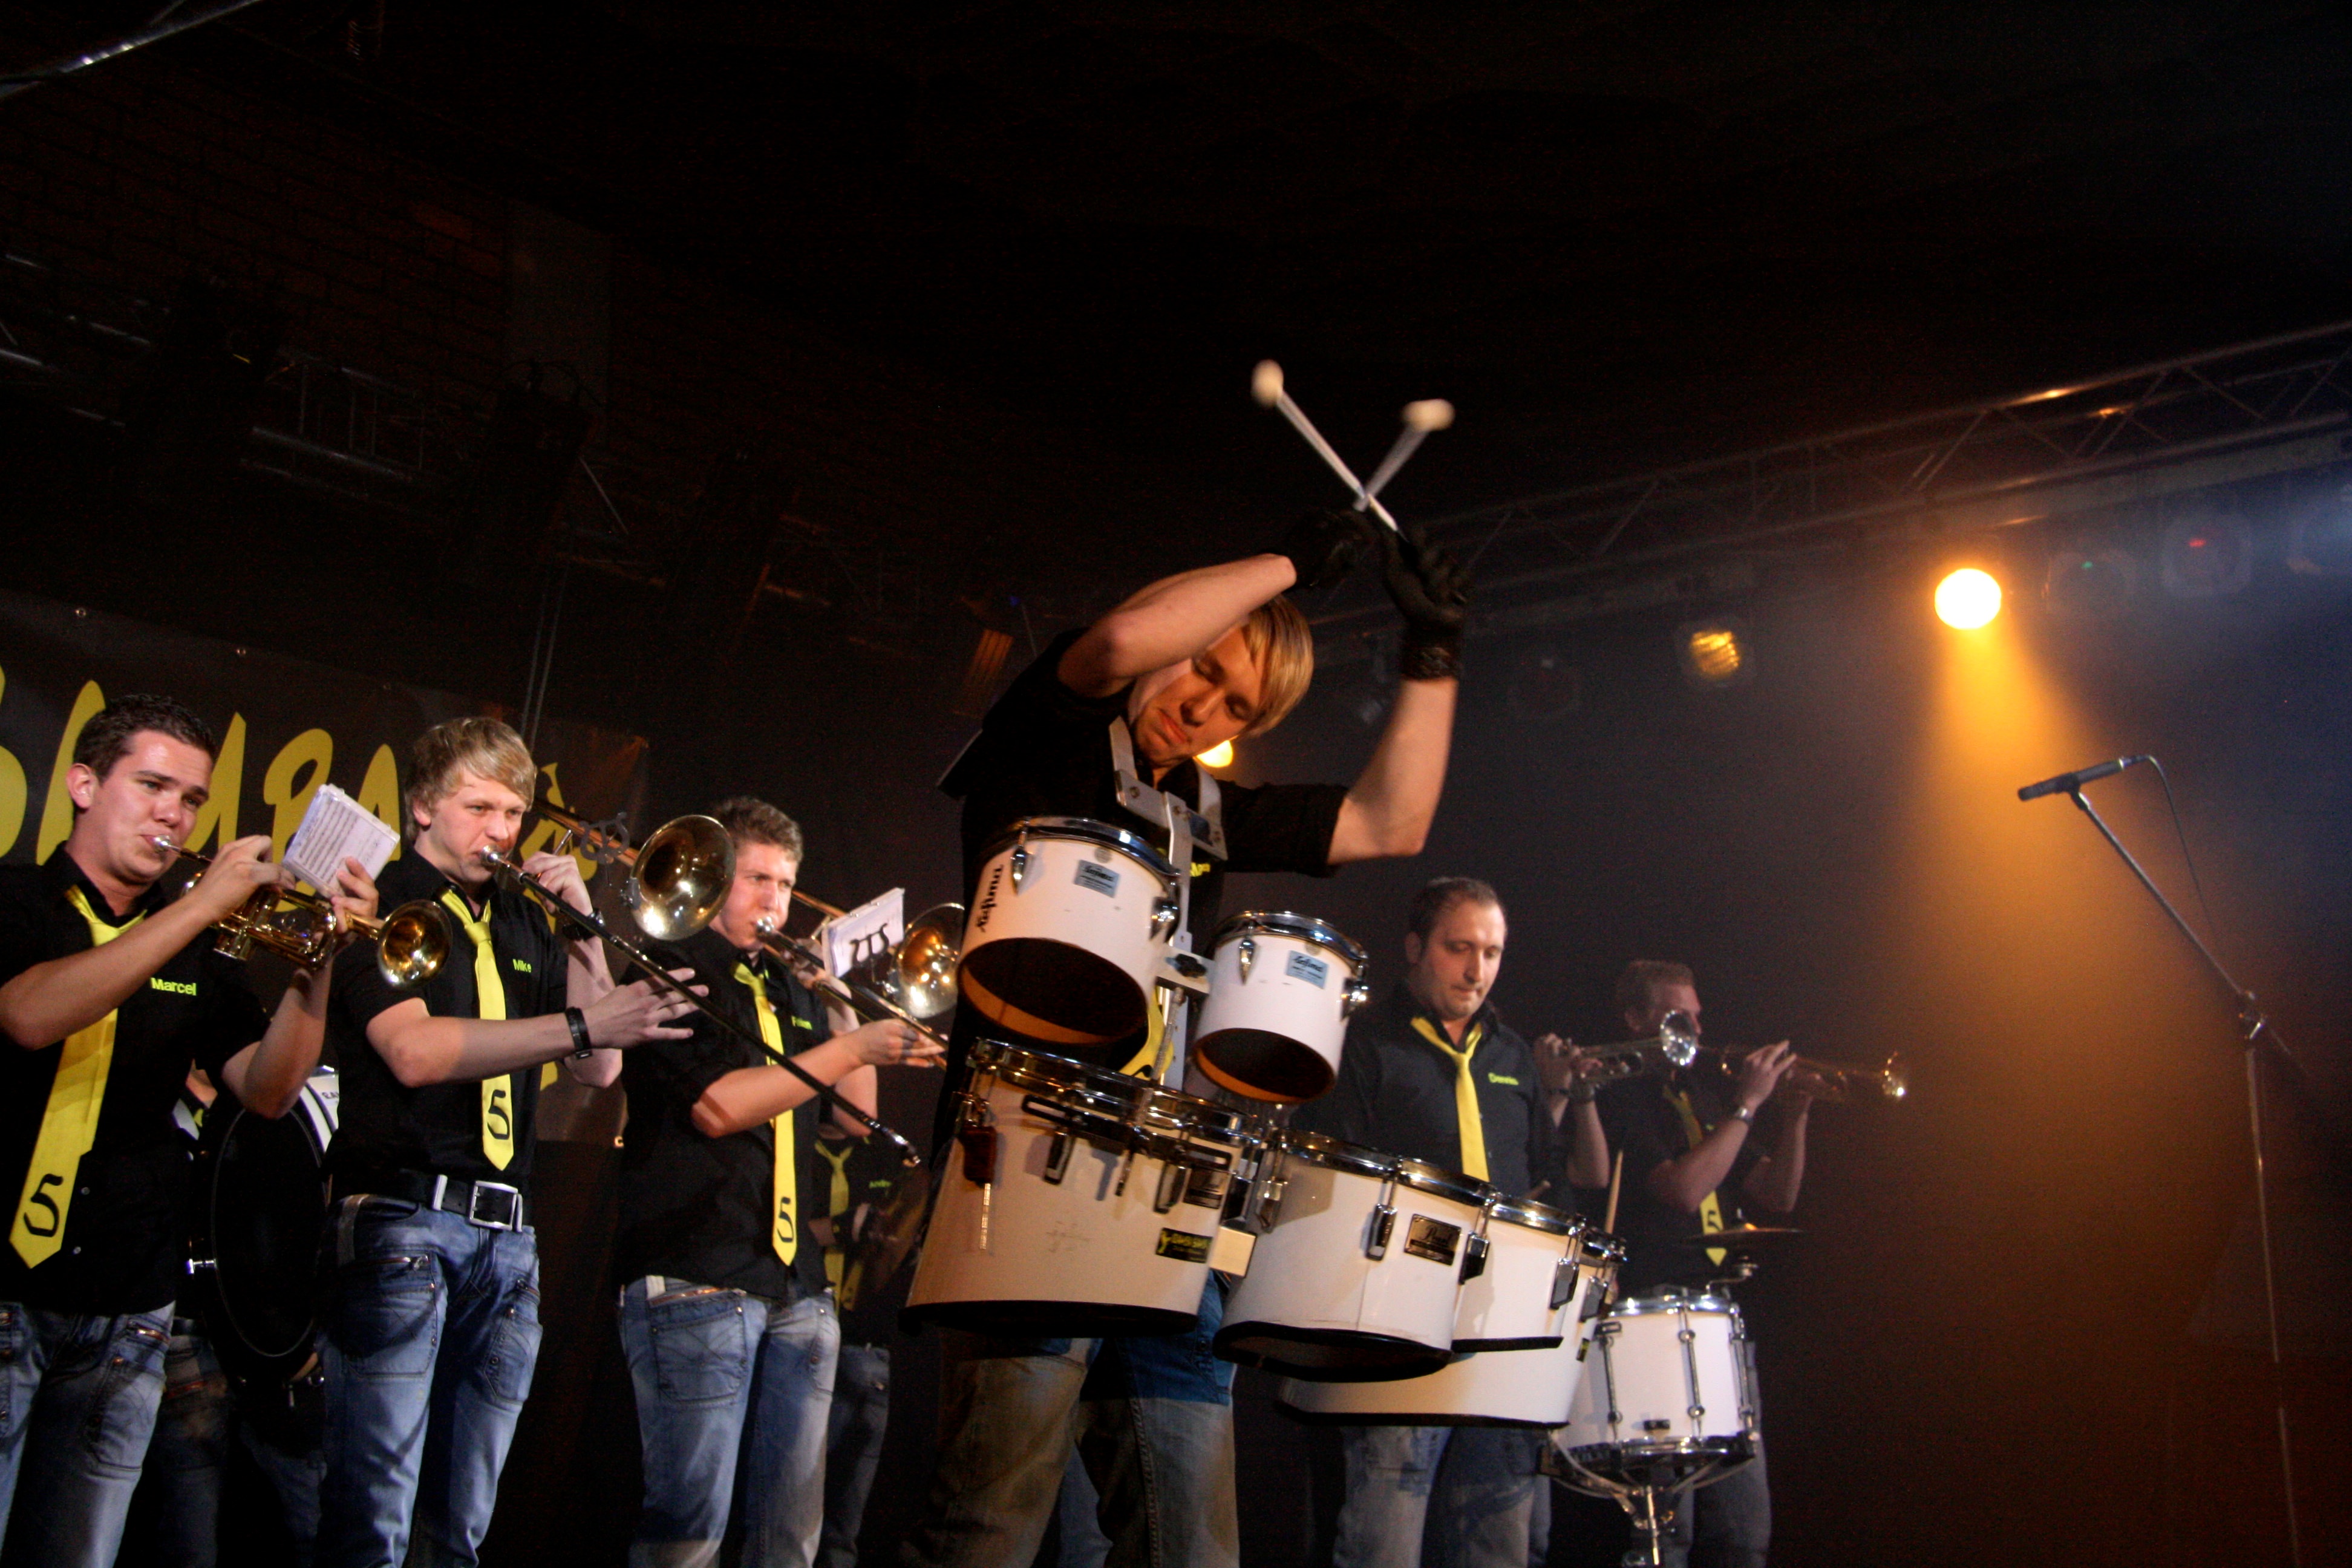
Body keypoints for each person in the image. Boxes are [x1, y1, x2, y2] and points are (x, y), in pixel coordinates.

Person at [901, 509, 1469, 1568]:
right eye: (1203, 666)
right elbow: (1121, 642)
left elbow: (1390, 822)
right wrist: (1287, 563)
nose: (1204, 705)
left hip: (1167, 1204)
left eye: (1237, 704)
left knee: (1194, 1549)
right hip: (1025, 1174)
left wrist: (1432, 654)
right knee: (989, 1531)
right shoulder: (1052, 734)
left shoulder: (1204, 811)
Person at [316, 717, 699, 1568]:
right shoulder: (379, 897)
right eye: (479, 807)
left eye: (514, 814)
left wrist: (584, 927)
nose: (500, 831)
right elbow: (415, 1054)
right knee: (373, 1521)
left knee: (462, 1529)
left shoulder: (527, 916)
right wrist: (582, 1024)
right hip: (403, 1221)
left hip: (509, 1240)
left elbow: (599, 1068)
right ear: (423, 806)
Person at [0, 694, 370, 1568]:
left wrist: (318, 964)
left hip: (127, 1306)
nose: (174, 814)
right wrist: (199, 909)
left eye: (193, 799)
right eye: (152, 786)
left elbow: (268, 1091)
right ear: (84, 785)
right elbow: (28, 1016)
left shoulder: (198, 950)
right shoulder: (16, 898)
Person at [613, 796, 941, 1568]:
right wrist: (852, 1047)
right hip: (701, 1268)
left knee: (790, 1540)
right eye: (757, 879)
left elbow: (853, 1119)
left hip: (797, 1286)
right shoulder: (674, 964)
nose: (776, 901)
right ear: (711, 878)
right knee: (689, 1532)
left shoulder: (787, 985)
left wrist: (839, 1010)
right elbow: (719, 1106)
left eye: (787, 884)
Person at [1292, 878, 1552, 1568]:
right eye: (1458, 948)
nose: (1477, 971)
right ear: (1415, 948)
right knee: (1387, 1531)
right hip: (1399, 1322)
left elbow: (1544, 1173)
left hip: (1500, 1325)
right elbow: (1330, 1179)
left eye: (1492, 953)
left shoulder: (1513, 1054)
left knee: (1500, 1538)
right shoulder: (1364, 1043)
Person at [1590, 961, 1809, 1568]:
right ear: (1636, 1020)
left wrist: (1794, 1115)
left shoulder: (1701, 1097)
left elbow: (1777, 1195)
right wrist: (1748, 1107)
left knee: (1744, 1534)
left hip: (1720, 1319)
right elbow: (1683, 1191)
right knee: (1668, 1534)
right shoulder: (1620, 1096)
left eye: (1697, 1016)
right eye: (1676, 1017)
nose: (1695, 1030)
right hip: (1654, 1319)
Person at [811, 1116, 912, 1568]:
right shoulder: (791, 1144)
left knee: (840, 1531)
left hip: (864, 1351)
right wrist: (839, 1228)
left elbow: (904, 1234)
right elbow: (761, 1230)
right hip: (797, 1341)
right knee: (779, 1511)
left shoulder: (889, 1159)